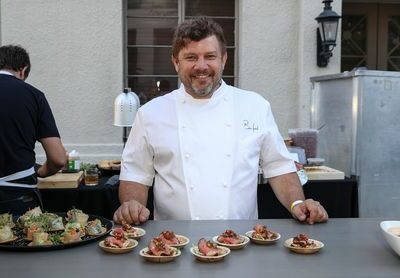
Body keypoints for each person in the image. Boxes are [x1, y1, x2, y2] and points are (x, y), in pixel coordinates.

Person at [113, 17, 328, 225]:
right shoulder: (151, 113)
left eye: (210, 56)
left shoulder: (255, 106)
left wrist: (297, 203)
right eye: (190, 57)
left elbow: (278, 166)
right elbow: (136, 173)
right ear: (175, 62)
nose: (201, 66)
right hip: (172, 245)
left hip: (240, 241)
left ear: (223, 59)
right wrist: (132, 205)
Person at [0, 45, 66, 215]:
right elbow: (58, 158)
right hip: (17, 197)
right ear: (23, 70)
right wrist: (43, 171)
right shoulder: (34, 96)